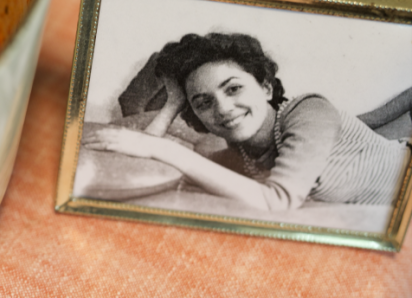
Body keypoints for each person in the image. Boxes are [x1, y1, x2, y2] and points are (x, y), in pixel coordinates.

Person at [83, 33, 412, 211]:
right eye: (204, 103)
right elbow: (142, 160)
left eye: (234, 88)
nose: (224, 108)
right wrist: (173, 105)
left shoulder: (309, 110)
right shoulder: (238, 154)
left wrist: (165, 150)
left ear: (266, 87)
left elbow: (277, 201)